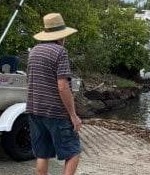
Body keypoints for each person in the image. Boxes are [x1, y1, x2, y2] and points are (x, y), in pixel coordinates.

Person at [26, 13, 82, 175]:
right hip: (56, 112)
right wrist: (73, 115)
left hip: (34, 110)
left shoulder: (34, 51)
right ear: (61, 36)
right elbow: (63, 86)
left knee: (42, 154)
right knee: (73, 152)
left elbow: (32, 80)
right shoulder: (60, 52)